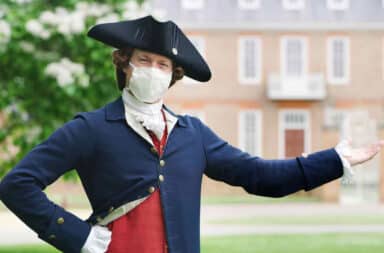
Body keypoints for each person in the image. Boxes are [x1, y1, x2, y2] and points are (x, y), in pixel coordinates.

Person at [0, 15, 383, 253]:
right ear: (125, 66)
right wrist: (76, 237)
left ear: (173, 74)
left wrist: (335, 160)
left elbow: (262, 177)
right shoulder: (91, 128)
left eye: (162, 63)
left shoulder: (192, 133)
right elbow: (17, 184)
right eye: (144, 60)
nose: (153, 69)